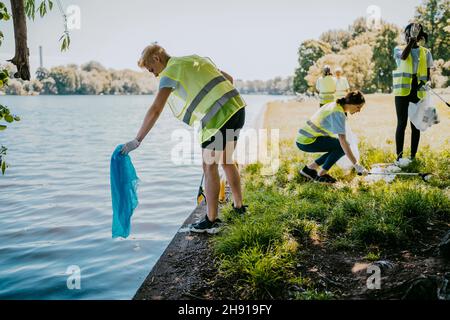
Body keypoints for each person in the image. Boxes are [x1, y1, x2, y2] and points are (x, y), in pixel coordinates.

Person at [120, 44, 248, 234]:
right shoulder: (193, 58)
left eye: (151, 69)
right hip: (237, 108)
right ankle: (239, 208)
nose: (154, 75)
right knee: (227, 161)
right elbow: (229, 79)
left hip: (219, 118)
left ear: (157, 58)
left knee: (209, 166)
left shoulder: (170, 72)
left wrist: (137, 139)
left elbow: (156, 109)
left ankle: (211, 221)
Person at [296, 91, 369, 183]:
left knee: (337, 147)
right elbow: (343, 142)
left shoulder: (335, 105)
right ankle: (321, 175)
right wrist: (357, 165)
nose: (359, 110)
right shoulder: (338, 113)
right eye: (358, 107)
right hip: (307, 141)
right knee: (341, 147)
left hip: (303, 138)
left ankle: (309, 169)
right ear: (351, 103)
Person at [393, 22, 433, 165]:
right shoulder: (398, 49)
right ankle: (399, 157)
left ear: (420, 35)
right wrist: (411, 41)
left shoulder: (426, 52)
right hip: (402, 92)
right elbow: (404, 57)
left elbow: (428, 74)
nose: (413, 34)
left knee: (415, 125)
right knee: (401, 123)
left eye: (416, 32)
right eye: (410, 32)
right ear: (407, 34)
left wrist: (426, 82)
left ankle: (413, 156)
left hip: (418, 92)